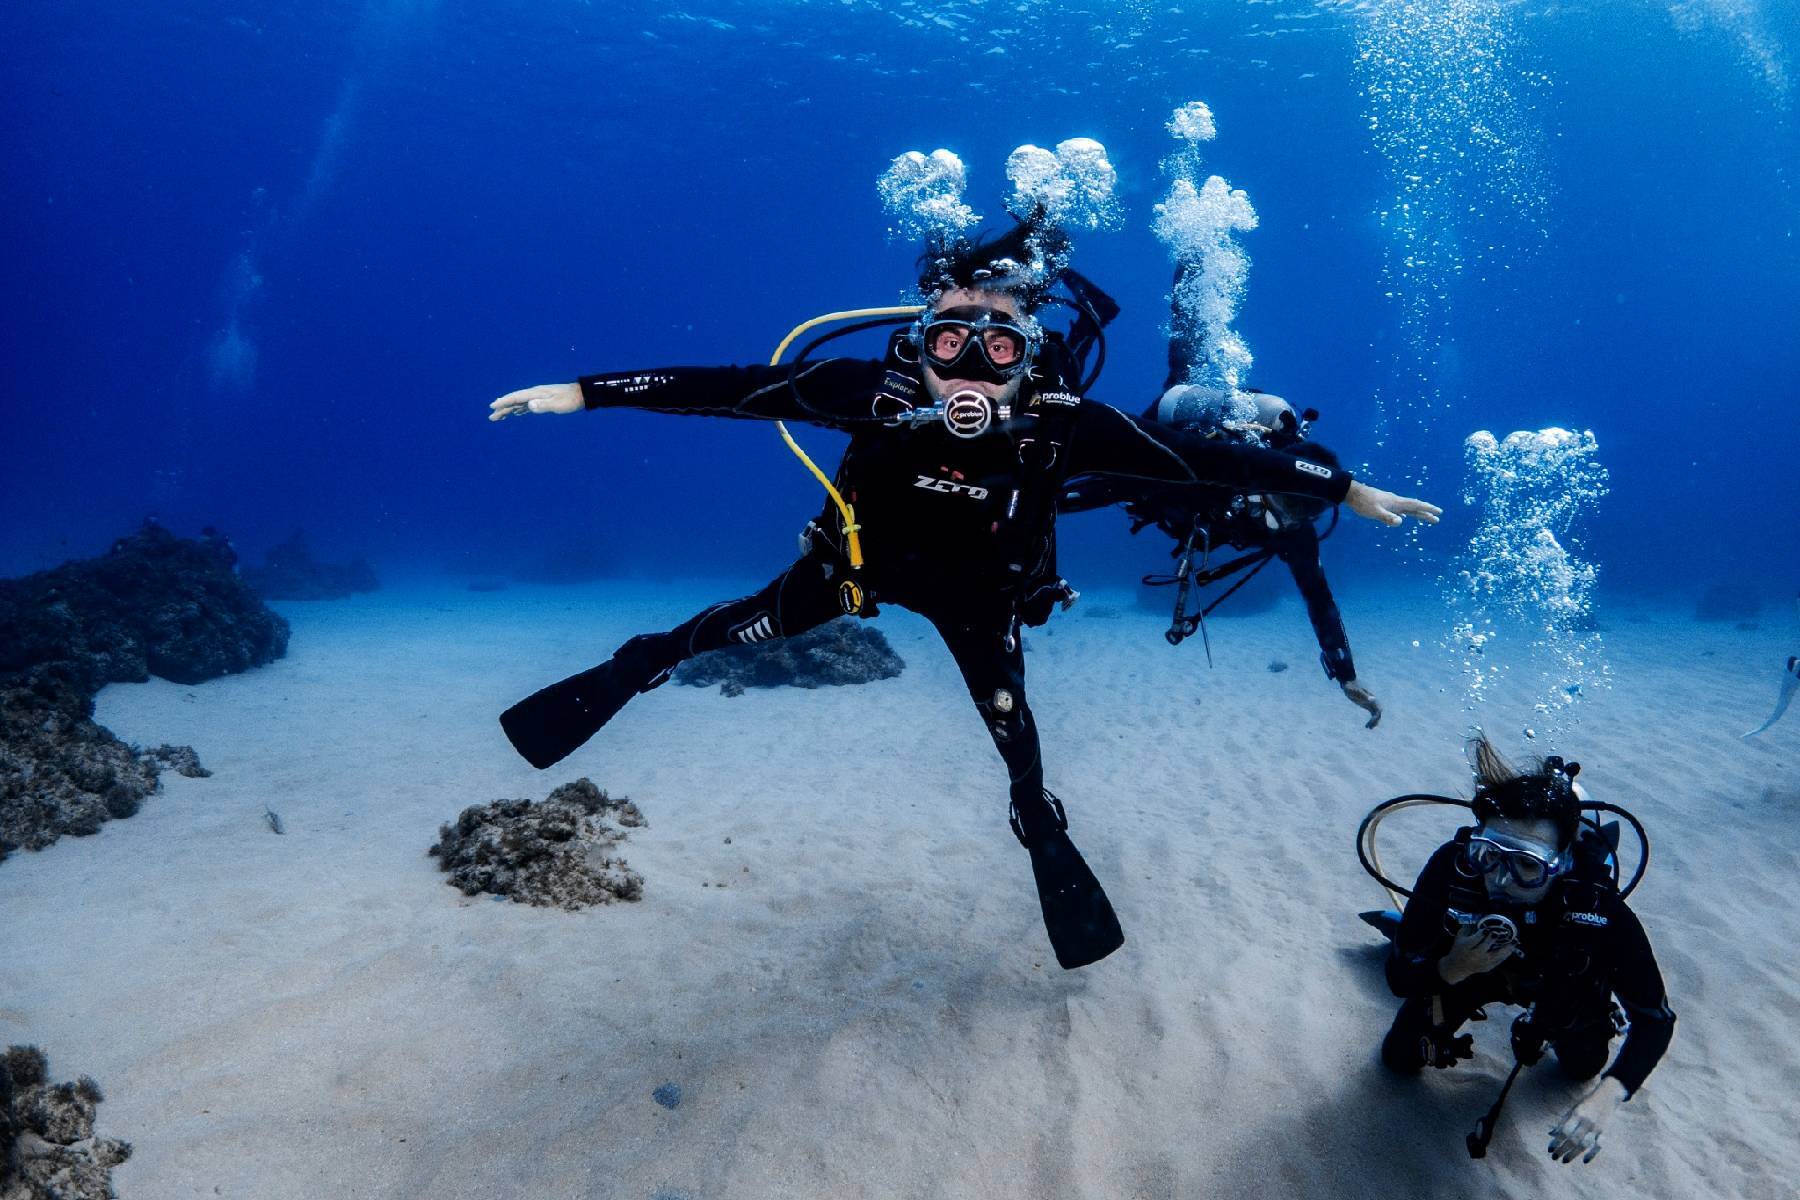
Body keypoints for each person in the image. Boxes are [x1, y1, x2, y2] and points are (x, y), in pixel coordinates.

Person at [488, 219, 1441, 970]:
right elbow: (730, 388)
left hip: (982, 601)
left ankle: (1038, 825)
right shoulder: (868, 388)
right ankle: (637, 665)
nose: (968, 367)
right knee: (707, 636)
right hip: (849, 574)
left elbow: (1201, 459)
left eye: (997, 348)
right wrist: (585, 390)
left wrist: (1345, 490)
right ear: (918, 344)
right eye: (948, 338)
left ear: (1029, 356)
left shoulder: (1066, 427)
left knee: (1017, 739)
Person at [1058, 267, 1381, 725]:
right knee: (1108, 452)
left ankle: (1183, 279)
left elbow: (1320, 599)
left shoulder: (1295, 533)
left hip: (1186, 490)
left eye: (1294, 516)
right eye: (1282, 504)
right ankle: (1175, 280)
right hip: (1178, 459)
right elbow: (1115, 484)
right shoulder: (1232, 471)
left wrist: (1345, 675)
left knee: (1177, 376)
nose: (1279, 523)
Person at [1377, 736, 1676, 1164]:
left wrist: (1608, 1097)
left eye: (1528, 865)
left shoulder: (1596, 910)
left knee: (1583, 1068)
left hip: (1560, 980)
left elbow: (1655, 1020)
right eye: (1489, 854)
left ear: (1563, 863)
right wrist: (1450, 967)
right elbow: (1398, 978)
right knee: (1399, 1057)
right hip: (1470, 971)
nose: (1500, 879)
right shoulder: (1453, 868)